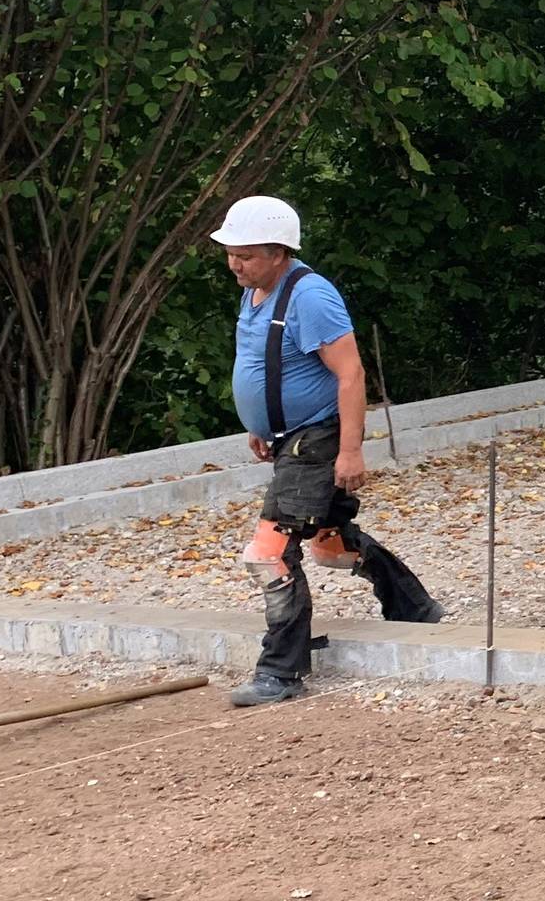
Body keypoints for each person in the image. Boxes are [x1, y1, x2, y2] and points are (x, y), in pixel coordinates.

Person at [212, 195, 441, 707]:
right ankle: (415, 608)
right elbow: (265, 360)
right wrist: (262, 424)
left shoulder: (310, 297)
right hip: (288, 436)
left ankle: (281, 673)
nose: (234, 263)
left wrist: (351, 450)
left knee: (269, 553)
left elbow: (351, 373)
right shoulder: (253, 292)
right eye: (230, 252)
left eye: (245, 255)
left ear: (277, 252)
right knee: (331, 548)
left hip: (317, 438)